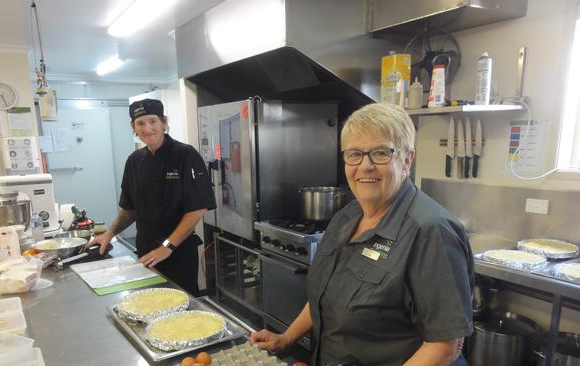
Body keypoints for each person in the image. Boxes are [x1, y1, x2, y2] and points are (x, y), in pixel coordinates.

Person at [250, 103, 474, 366]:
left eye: (380, 153)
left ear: (407, 159)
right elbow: (324, 297)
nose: (365, 166)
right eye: (354, 154)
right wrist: (286, 339)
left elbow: (445, 346)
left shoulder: (431, 231)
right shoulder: (346, 217)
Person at [87, 98, 216, 296]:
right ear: (133, 127)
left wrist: (167, 247)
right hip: (145, 248)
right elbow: (129, 209)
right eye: (141, 123)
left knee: (182, 304)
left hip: (178, 251)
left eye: (153, 121)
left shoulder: (185, 155)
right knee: (149, 299)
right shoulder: (134, 161)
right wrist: (109, 233)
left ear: (164, 123)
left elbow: (197, 209)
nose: (148, 128)